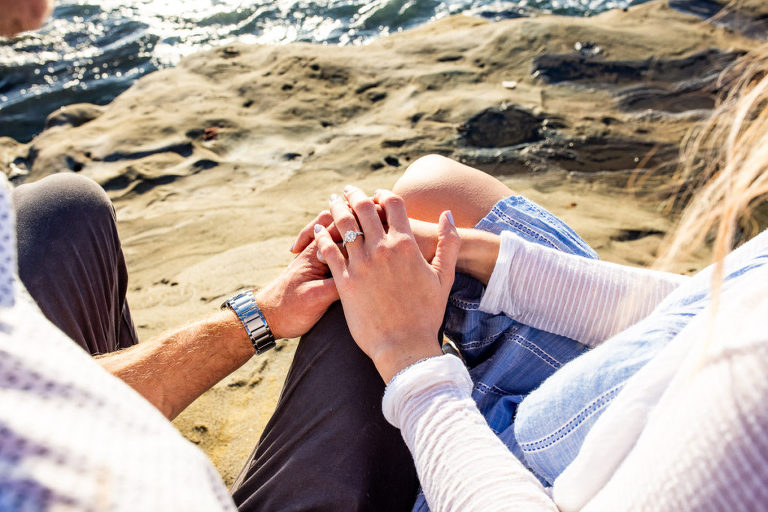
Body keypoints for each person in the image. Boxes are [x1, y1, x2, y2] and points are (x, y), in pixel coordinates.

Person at [295, 46, 768, 510]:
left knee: (364, 285)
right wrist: (468, 251)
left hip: (522, 481)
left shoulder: (751, 433)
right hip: (604, 396)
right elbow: (699, 308)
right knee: (430, 190)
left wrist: (406, 355)